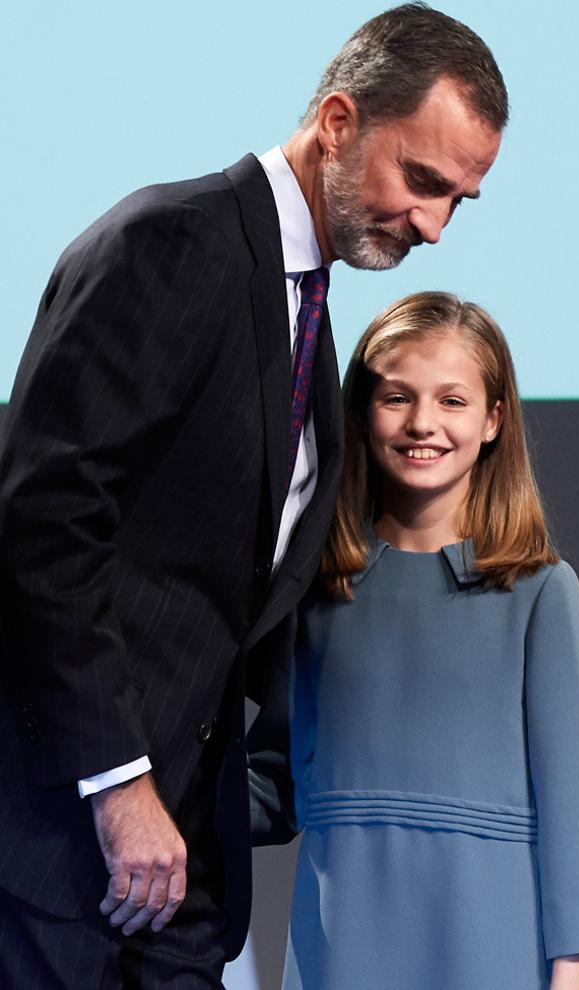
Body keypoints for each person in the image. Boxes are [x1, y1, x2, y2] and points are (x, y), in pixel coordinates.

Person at [0, 5, 507, 988]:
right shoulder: (169, 244)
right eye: (423, 181)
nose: (437, 227)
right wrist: (119, 785)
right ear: (338, 123)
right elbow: (42, 527)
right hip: (61, 855)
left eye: (462, 202)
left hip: (182, 879)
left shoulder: (312, 336)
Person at [248, 292, 579, 990]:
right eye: (397, 397)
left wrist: (572, 973)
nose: (423, 423)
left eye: (452, 401)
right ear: (359, 412)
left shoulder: (539, 591)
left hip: (490, 947)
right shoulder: (317, 590)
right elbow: (277, 780)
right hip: (340, 947)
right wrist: (134, 789)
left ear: (493, 420)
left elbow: (572, 813)